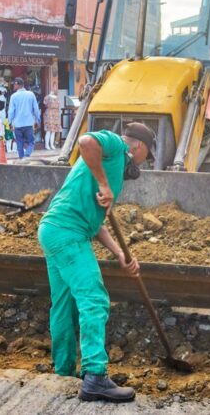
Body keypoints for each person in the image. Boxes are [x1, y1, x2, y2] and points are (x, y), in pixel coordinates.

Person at [38, 123, 156, 403]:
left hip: (55, 229)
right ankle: (95, 376)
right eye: (147, 156)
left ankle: (64, 371)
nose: (144, 163)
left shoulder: (109, 169)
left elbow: (97, 223)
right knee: (94, 298)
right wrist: (104, 183)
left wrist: (119, 254)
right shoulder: (115, 146)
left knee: (64, 304)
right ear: (138, 147)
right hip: (68, 233)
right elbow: (86, 140)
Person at [8, 77, 40, 159]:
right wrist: (37, 120)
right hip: (28, 123)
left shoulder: (13, 96)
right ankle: (27, 155)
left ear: (17, 84)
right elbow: (36, 109)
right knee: (31, 141)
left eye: (14, 84)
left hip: (17, 124)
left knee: (19, 142)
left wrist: (10, 122)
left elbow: (11, 111)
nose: (13, 86)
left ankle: (21, 158)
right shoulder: (31, 94)